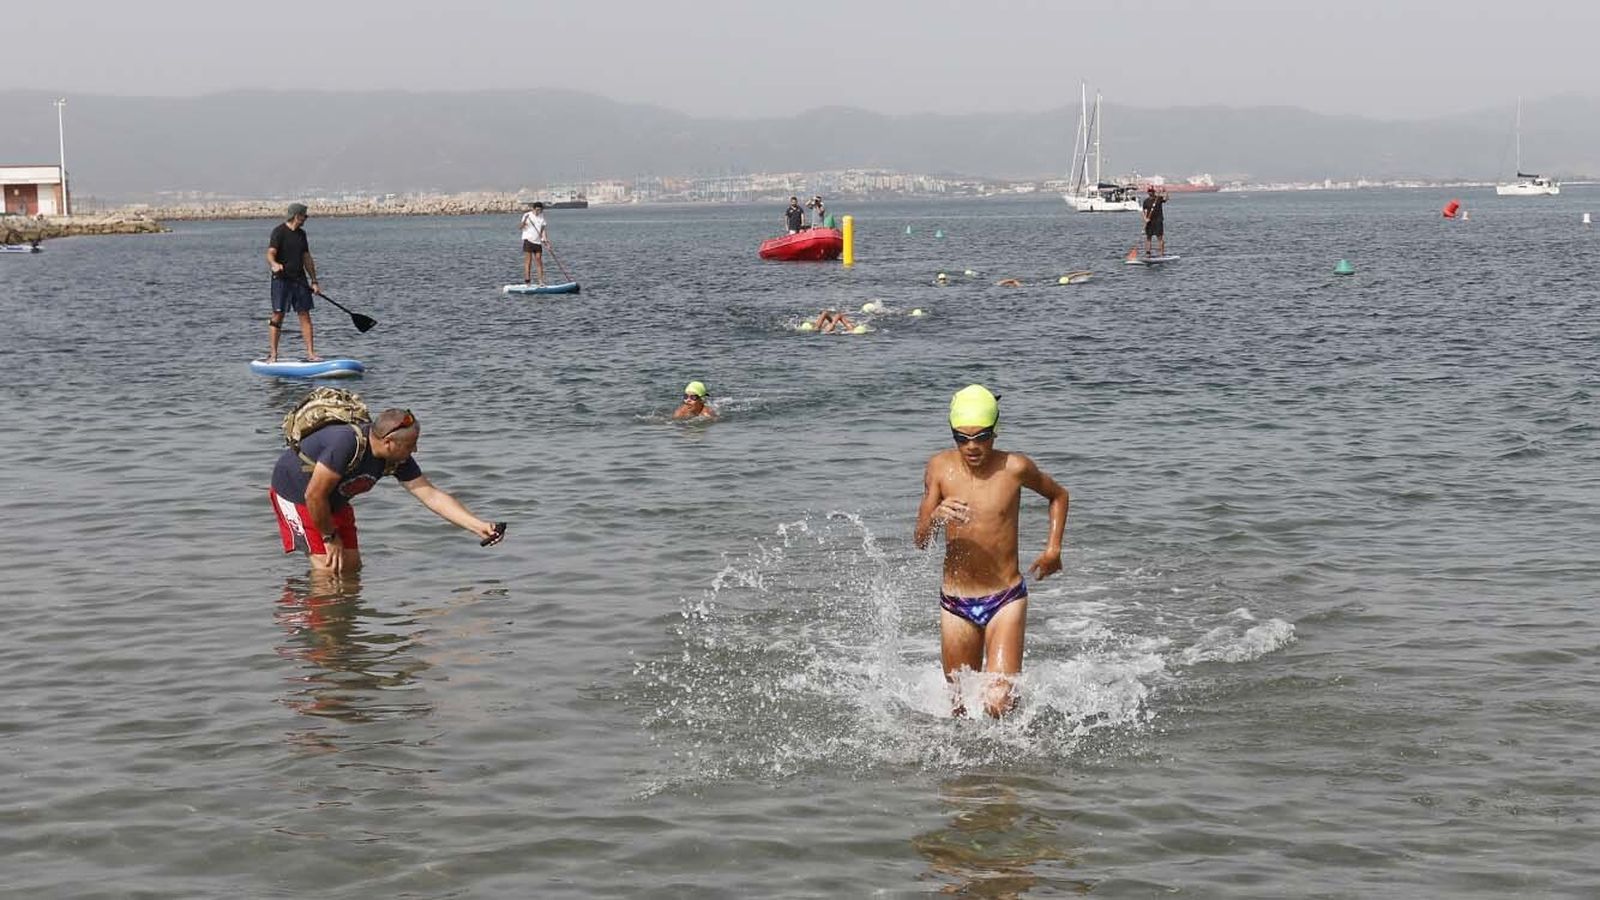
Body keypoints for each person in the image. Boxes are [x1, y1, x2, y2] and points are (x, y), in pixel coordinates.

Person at [913, 385, 1070, 717]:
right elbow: (921, 540)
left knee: (998, 702)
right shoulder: (939, 468)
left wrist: (1053, 548)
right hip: (955, 603)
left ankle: (1020, 760)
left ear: (995, 430)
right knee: (959, 709)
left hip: (1005, 598)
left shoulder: (1015, 468)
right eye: (962, 437)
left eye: (981, 437)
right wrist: (936, 517)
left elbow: (1058, 495)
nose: (971, 447)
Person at [269, 407, 503, 575]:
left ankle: (346, 634)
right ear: (389, 442)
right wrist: (329, 537)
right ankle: (320, 638)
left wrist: (478, 525)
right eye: (411, 445)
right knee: (330, 569)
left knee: (350, 569)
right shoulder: (346, 444)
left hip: (333, 499)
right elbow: (314, 495)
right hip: (297, 493)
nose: (416, 450)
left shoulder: (397, 458)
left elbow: (430, 494)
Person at [266, 203, 322, 363]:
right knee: (278, 315)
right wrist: (274, 264)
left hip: (299, 279)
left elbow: (307, 258)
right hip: (281, 280)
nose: (306, 218)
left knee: (305, 314)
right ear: (297, 216)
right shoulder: (279, 232)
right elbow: (270, 253)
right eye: (305, 215)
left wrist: (314, 281)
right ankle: (273, 355)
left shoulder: (301, 234)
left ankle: (311, 354)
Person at [519, 202, 550, 285]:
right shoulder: (527, 215)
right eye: (537, 210)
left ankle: (541, 281)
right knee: (528, 261)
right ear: (533, 208)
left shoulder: (541, 217)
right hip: (528, 240)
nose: (538, 211)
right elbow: (520, 227)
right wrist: (525, 220)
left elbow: (543, 230)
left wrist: (546, 241)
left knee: (539, 260)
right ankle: (527, 281)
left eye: (540, 210)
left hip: (537, 241)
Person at [1141, 185, 1168, 258]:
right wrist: (1145, 219)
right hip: (1149, 222)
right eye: (1149, 191)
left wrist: (1165, 191)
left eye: (1151, 191)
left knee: (1159, 237)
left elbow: (1166, 199)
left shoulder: (1158, 198)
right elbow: (1143, 211)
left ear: (1154, 192)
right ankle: (1148, 253)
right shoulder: (1146, 201)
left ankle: (1161, 254)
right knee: (1148, 237)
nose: (1150, 193)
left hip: (1158, 221)